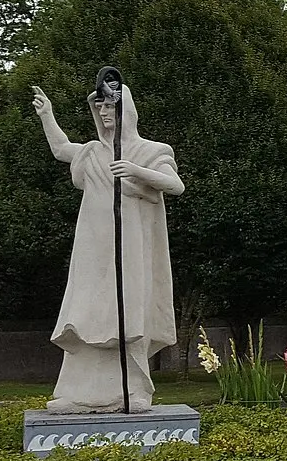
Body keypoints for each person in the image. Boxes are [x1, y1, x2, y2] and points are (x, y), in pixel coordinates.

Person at [31, 78, 184, 412]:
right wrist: (47, 115)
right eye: (98, 106)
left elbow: (175, 186)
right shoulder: (92, 152)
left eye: (109, 105)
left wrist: (136, 171)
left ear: (126, 110)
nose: (103, 112)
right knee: (87, 315)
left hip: (130, 250)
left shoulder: (151, 151)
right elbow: (61, 149)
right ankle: (78, 394)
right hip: (94, 252)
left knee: (128, 314)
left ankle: (134, 391)